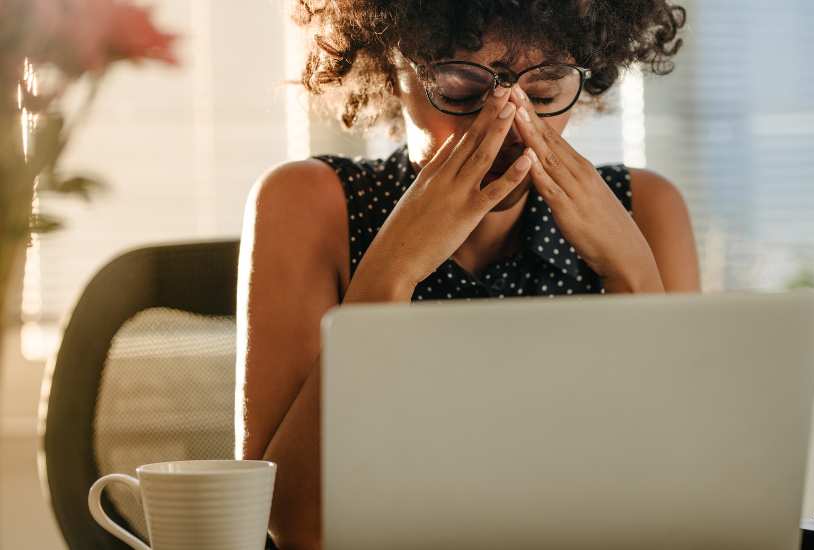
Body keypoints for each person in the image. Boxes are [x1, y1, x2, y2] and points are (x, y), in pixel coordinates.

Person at [237, 1, 699, 548]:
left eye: (546, 91)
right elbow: (295, 524)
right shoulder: (309, 205)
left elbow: (687, 509)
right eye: (458, 89)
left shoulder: (646, 209)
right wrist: (392, 272)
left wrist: (634, 277)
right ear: (391, 67)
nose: (506, 124)